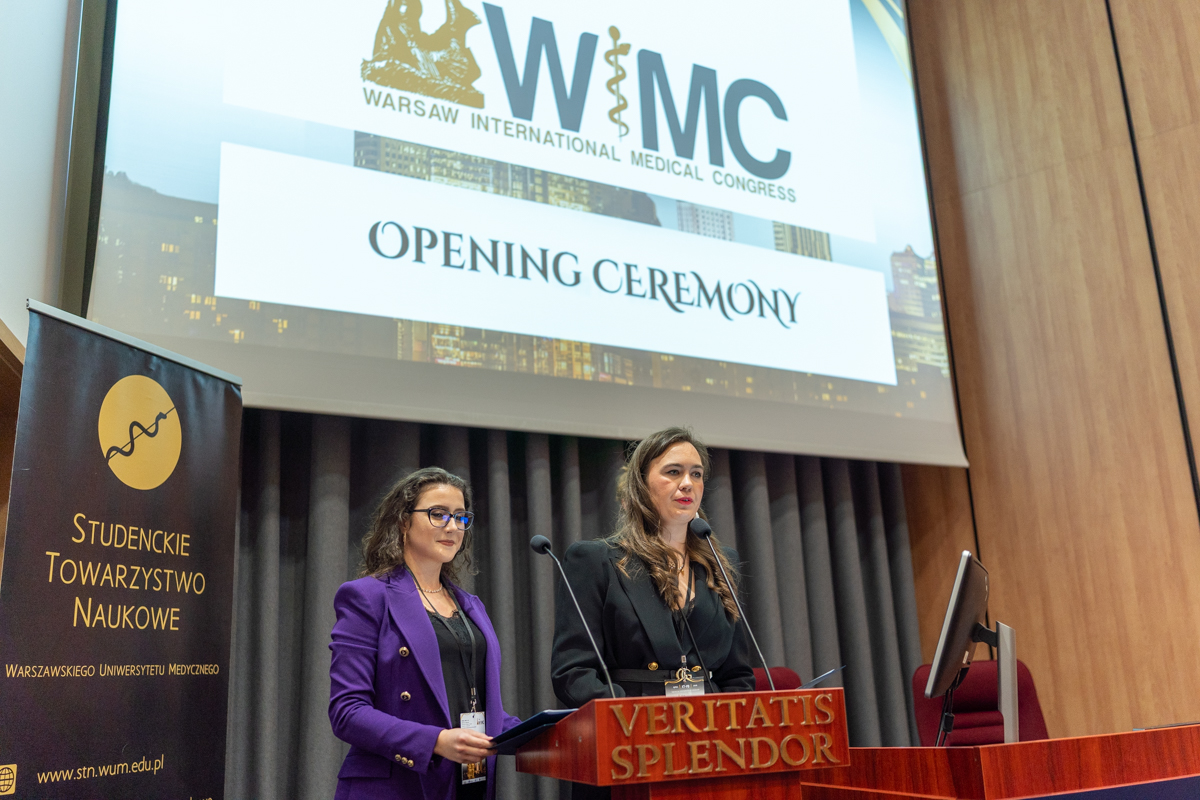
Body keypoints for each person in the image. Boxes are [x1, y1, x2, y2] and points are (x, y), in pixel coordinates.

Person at [551, 427, 755, 798]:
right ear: (641, 485)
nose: (687, 484)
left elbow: (738, 674)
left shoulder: (722, 564)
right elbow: (572, 672)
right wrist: (632, 722)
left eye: (696, 474)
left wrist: (729, 729)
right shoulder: (596, 560)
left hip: (709, 748)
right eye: (673, 472)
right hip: (626, 747)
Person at [329, 467, 520, 800]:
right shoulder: (367, 597)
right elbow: (347, 712)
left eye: (461, 517)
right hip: (396, 785)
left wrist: (552, 735)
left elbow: (481, 707)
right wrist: (434, 742)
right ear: (404, 521)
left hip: (466, 782)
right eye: (438, 514)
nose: (452, 526)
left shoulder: (470, 606)